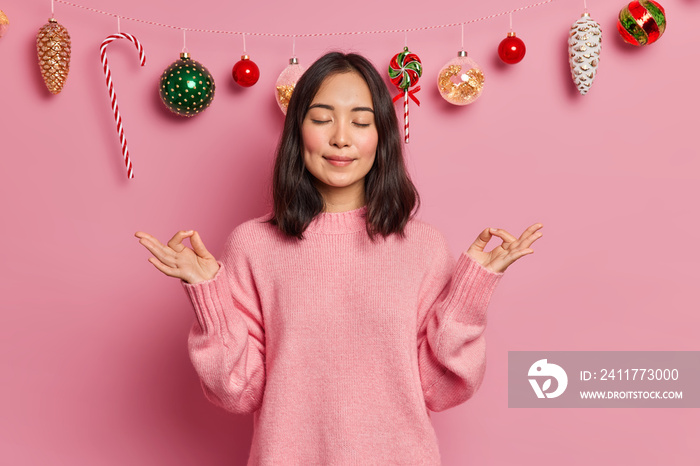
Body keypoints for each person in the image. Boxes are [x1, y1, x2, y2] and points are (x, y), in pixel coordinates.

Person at [135, 51, 542, 465]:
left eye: (361, 122)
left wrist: (469, 294)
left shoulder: (423, 248)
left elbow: (442, 389)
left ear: (381, 136)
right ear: (298, 131)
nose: (341, 138)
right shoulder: (253, 245)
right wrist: (211, 298)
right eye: (322, 118)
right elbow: (239, 391)